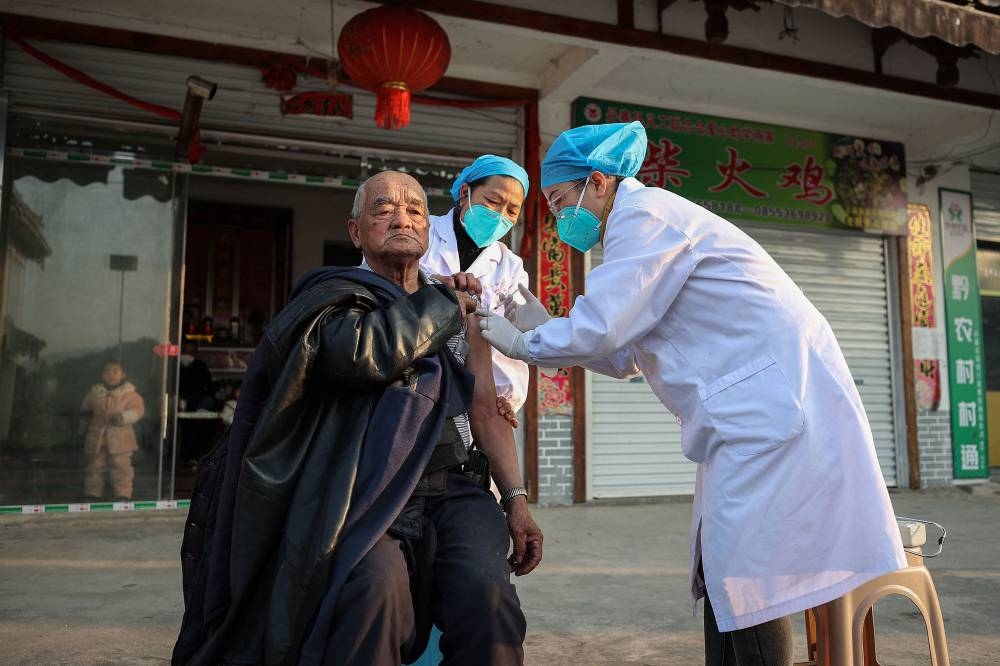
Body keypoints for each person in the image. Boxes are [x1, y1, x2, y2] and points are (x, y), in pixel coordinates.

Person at [478, 121, 906, 665]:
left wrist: (522, 341)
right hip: (748, 415)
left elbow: (604, 328)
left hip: (768, 412)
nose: (563, 218)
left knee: (747, 580)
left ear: (600, 182)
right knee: (725, 573)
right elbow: (619, 355)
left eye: (563, 201)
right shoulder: (639, 231)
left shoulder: (645, 217)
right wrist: (527, 315)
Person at [173, 171, 542, 666]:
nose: (402, 217)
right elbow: (361, 354)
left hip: (453, 487)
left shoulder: (460, 307)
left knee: (488, 598)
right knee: (373, 596)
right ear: (355, 232)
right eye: (383, 209)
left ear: (428, 232)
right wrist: (440, 303)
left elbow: (483, 410)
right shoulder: (335, 301)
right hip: (364, 490)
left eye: (414, 209)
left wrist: (516, 500)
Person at [421, 154, 532, 426]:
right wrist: (437, 286)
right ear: (464, 192)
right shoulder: (422, 231)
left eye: (511, 210)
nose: (500, 215)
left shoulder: (510, 267)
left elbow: (509, 341)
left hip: (472, 400)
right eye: (493, 201)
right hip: (415, 380)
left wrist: (506, 397)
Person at [79, 360, 145, 501]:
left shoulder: (129, 394)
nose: (111, 375)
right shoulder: (95, 393)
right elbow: (85, 411)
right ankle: (92, 493)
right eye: (107, 372)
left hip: (121, 440)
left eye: (115, 372)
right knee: (95, 467)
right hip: (97, 438)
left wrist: (122, 417)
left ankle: (123, 494)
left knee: (121, 468)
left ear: (123, 375)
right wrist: (82, 430)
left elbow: (138, 410)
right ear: (102, 375)